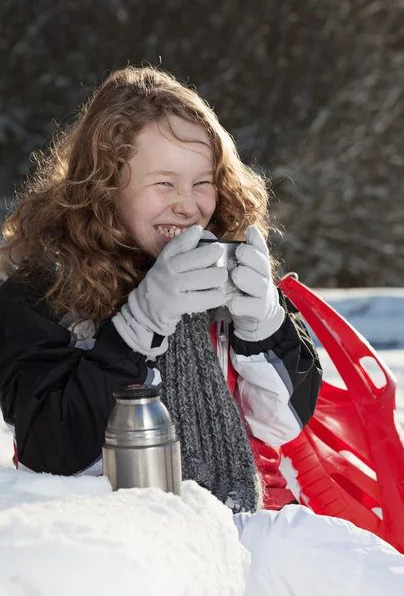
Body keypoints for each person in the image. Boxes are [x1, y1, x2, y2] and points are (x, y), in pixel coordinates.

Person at [0, 66, 402, 594]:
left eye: (202, 183)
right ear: (103, 187)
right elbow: (51, 444)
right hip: (112, 538)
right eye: (163, 183)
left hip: (236, 522)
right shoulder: (39, 291)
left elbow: (283, 426)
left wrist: (266, 325)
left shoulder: (224, 270)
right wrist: (136, 326)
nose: (188, 205)